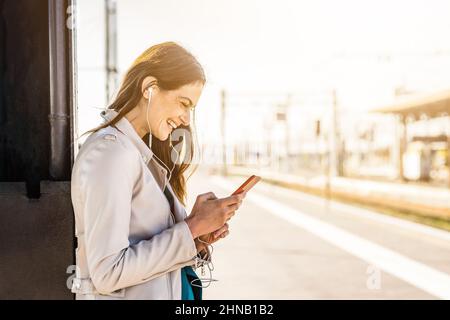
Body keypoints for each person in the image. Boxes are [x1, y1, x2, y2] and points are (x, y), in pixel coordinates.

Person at [70, 42, 245, 299]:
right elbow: (108, 273)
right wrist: (192, 227)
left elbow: (144, 253)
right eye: (183, 103)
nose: (186, 119)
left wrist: (194, 240)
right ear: (150, 88)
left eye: (191, 108)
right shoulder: (111, 154)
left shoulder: (136, 153)